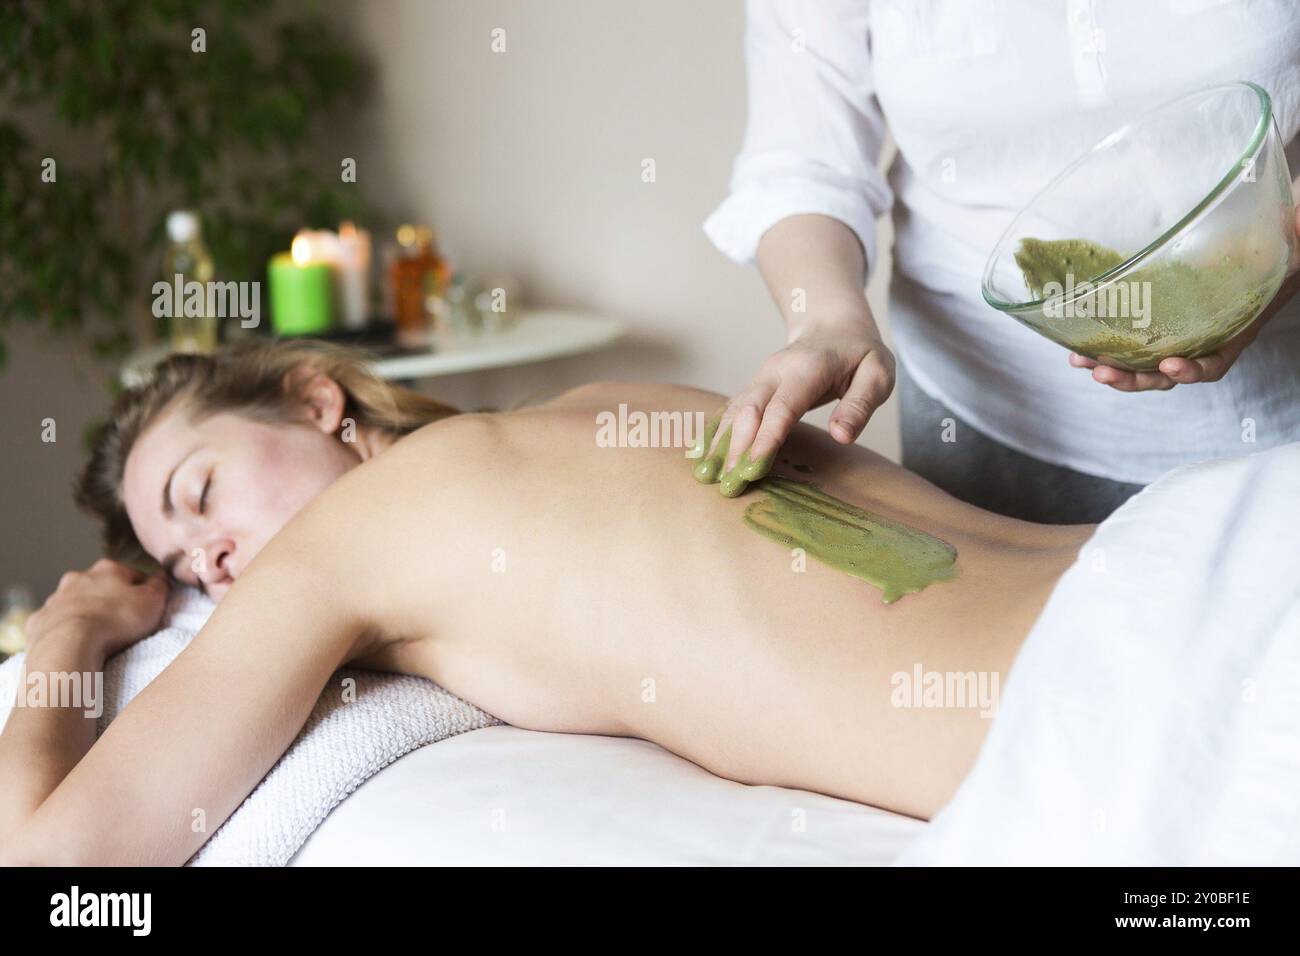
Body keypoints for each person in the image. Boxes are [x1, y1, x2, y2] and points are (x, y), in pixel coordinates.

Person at [0, 339, 1090, 865]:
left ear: (315, 397)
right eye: (184, 566)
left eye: (201, 496)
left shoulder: (343, 539)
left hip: (1109, 700)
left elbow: (54, 873)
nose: (214, 561)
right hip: (1168, 557)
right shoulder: (610, 407)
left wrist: (66, 629)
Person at [701, 0, 1300, 522]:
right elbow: (805, 161)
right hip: (981, 418)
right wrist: (826, 321)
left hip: (1276, 416)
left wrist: (1281, 261)